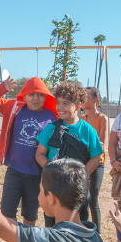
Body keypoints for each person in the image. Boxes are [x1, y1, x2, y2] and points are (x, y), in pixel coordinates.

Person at [0, 75, 58, 242]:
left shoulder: (52, 116)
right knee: (7, 212)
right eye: (31, 95)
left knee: (30, 214)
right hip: (15, 170)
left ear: (46, 98)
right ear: (24, 96)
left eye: (40, 95)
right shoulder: (14, 108)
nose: (36, 98)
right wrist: (3, 87)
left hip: (38, 175)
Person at [35, 81, 103, 227]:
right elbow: (40, 153)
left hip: (77, 187)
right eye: (58, 102)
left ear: (78, 106)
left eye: (65, 103)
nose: (60, 107)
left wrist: (80, 175)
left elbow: (96, 158)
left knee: (78, 225)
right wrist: (52, 171)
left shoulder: (88, 130)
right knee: (52, 226)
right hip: (54, 187)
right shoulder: (51, 128)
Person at [81, 87, 108, 233]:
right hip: (84, 162)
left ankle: (97, 234)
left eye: (85, 97)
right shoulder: (82, 119)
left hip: (97, 163)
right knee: (83, 199)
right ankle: (84, 230)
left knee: (93, 200)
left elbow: (102, 142)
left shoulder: (102, 118)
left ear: (95, 100)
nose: (82, 100)